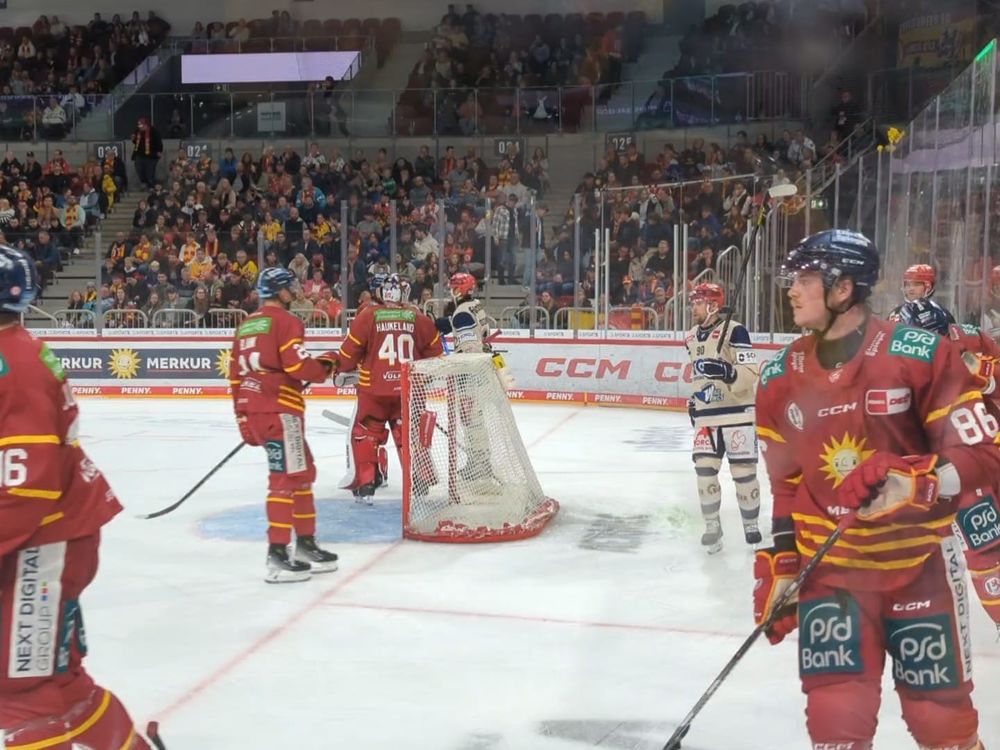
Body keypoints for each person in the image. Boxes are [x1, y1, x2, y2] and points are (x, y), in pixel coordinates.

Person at [753, 229, 999, 750]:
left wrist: (922, 482)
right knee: (835, 723)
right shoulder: (777, 378)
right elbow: (786, 486)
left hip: (921, 570)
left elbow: (986, 454)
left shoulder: (920, 354)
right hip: (832, 579)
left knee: (943, 725)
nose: (791, 290)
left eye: (804, 279)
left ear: (842, 289)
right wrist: (781, 566)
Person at [0, 246, 160, 748]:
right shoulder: (16, 352)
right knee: (60, 682)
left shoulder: (13, 364)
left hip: (42, 546)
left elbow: (25, 484)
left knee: (21, 688)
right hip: (52, 537)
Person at [228, 267, 340, 583]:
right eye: (290, 288)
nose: (294, 293)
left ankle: (305, 544)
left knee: (301, 474)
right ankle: (277, 554)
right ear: (279, 291)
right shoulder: (288, 322)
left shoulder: (246, 325)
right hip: (281, 412)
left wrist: (242, 416)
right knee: (284, 480)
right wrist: (324, 366)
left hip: (257, 410)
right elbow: (296, 365)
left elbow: (235, 375)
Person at [894, 298, 1000, 632]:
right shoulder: (901, 367)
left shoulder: (970, 344)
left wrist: (987, 375)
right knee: (981, 548)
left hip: (980, 457)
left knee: (985, 550)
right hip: (970, 463)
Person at [333, 274, 444, 502]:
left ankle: (366, 484)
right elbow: (435, 353)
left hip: (373, 390)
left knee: (366, 433)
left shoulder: (368, 316)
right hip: (408, 390)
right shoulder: (418, 317)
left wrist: (339, 370)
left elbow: (349, 351)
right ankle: (419, 480)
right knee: (410, 435)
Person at [684, 282, 760, 553]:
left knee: (743, 474)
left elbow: (752, 371)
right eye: (692, 302)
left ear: (713, 304)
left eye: (698, 302)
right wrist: (694, 399)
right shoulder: (690, 336)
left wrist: (727, 372)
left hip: (737, 413)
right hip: (706, 417)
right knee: (704, 472)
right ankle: (712, 525)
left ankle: (751, 526)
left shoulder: (736, 330)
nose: (693, 306)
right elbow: (697, 374)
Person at [889, 263, 956, 325]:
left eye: (916, 284)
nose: (911, 289)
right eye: (907, 285)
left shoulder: (941, 313)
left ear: (928, 287)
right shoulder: (895, 313)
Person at [131, 117, 162, 190]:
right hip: (139, 155)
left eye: (141, 126)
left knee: (150, 172)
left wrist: (159, 151)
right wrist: (133, 139)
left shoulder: (154, 131)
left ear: (146, 125)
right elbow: (136, 143)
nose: (140, 127)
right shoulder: (137, 131)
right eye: (139, 126)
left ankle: (151, 186)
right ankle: (144, 183)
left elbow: (159, 142)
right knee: (139, 169)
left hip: (151, 156)